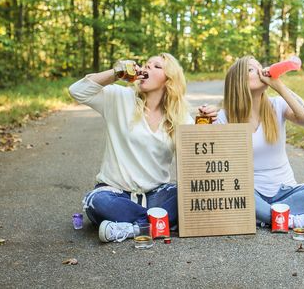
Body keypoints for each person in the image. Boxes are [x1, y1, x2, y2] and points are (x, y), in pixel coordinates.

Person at [69, 53, 216, 243]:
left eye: (156, 66)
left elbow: (196, 158)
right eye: (146, 65)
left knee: (191, 193)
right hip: (115, 192)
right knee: (98, 202)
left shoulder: (180, 117)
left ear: (169, 80)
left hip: (156, 195)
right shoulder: (119, 97)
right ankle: (158, 223)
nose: (146, 68)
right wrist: (117, 72)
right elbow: (77, 90)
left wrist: (208, 125)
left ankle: (130, 228)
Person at [215, 56, 304, 230]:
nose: (261, 71)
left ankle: (265, 217)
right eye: (252, 69)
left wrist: (279, 86)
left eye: (261, 66)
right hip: (249, 193)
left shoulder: (278, 105)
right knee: (228, 190)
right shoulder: (224, 117)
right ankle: (290, 220)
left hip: (286, 191)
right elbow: (214, 165)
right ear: (238, 82)